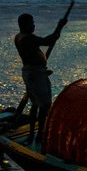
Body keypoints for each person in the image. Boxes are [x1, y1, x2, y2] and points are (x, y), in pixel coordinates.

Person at [14, 12, 67, 145]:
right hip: (34, 73)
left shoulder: (21, 37)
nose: (33, 25)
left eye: (33, 22)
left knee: (38, 104)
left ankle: (36, 134)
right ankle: (37, 135)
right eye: (31, 23)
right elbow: (48, 41)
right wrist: (59, 27)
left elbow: (42, 45)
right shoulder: (26, 38)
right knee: (42, 106)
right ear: (24, 25)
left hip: (36, 72)